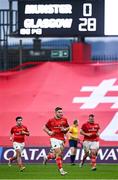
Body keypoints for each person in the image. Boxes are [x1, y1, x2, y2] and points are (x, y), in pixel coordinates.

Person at [43, 107, 69, 176]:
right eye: (59, 112)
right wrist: (49, 132)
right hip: (54, 138)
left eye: (61, 112)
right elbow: (44, 128)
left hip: (62, 139)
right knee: (59, 152)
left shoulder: (64, 119)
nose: (61, 113)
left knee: (57, 155)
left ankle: (47, 157)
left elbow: (68, 127)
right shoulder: (51, 120)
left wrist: (64, 129)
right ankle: (61, 170)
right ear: (55, 112)